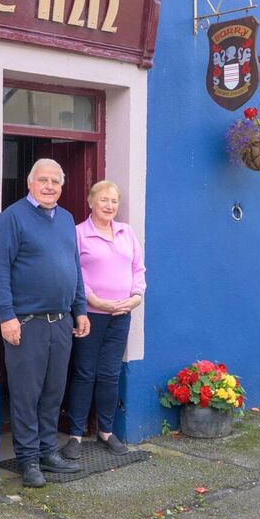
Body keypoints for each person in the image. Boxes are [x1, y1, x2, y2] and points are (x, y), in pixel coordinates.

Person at [0, 158, 90, 488]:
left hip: (60, 322)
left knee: (52, 392)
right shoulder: (12, 218)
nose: (49, 186)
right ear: (30, 183)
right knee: (25, 394)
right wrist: (7, 316)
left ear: (62, 186)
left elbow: (73, 269)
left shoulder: (67, 219)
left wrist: (81, 309)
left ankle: (48, 451)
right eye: (43, 180)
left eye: (55, 181)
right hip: (26, 323)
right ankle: (28, 458)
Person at [61, 180, 146, 460]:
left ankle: (106, 432)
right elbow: (72, 272)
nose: (109, 206)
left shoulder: (127, 232)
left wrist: (136, 297)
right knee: (85, 373)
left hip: (121, 315)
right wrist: (92, 299)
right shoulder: (78, 234)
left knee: (110, 373)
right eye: (103, 200)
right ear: (90, 202)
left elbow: (138, 268)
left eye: (114, 201)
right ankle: (75, 435)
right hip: (91, 316)